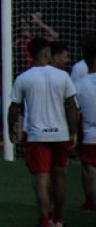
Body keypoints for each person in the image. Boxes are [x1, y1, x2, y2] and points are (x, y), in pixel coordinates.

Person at [8, 37, 79, 227]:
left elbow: (14, 107)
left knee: (41, 178)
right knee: (59, 177)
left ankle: (45, 221)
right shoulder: (62, 76)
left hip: (37, 135)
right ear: (47, 54)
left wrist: (11, 129)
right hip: (60, 134)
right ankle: (59, 219)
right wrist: (73, 132)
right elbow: (71, 105)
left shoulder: (24, 78)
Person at [74, 32, 96, 212]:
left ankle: (91, 202)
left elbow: (73, 106)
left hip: (89, 132)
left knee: (90, 167)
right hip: (88, 131)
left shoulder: (80, 82)